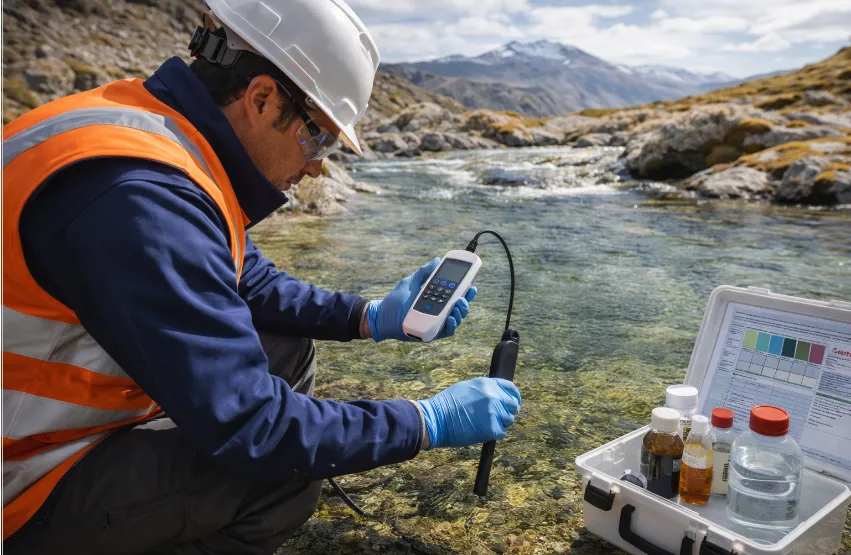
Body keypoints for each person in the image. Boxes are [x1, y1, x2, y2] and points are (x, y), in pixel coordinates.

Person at [1, 0, 521, 553]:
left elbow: (244, 278)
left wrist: (366, 317)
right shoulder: (141, 199)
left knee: (286, 348)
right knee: (283, 472)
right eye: (317, 137)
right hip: (23, 477)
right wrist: (424, 422)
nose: (319, 164)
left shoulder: (151, 131)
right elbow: (256, 428)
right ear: (262, 98)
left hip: (47, 425)